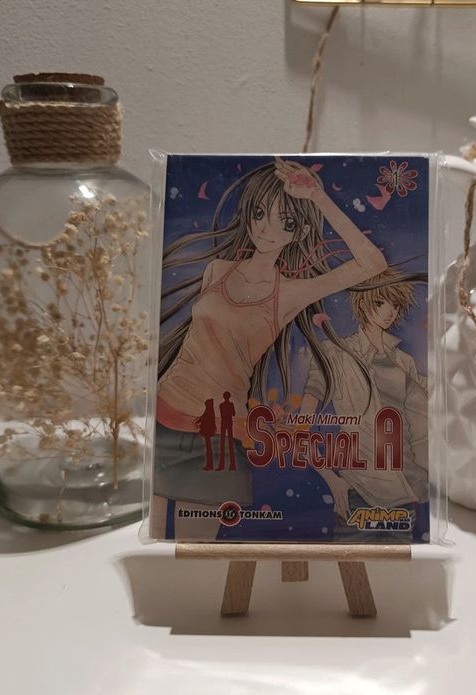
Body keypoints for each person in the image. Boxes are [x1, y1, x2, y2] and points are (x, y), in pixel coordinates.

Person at [150, 157, 387, 540]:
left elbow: (372, 263)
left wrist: (319, 198)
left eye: (284, 221)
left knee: (197, 557)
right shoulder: (216, 271)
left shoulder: (288, 295)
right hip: (163, 419)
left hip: (217, 440)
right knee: (155, 548)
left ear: (299, 231)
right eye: (260, 213)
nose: (265, 227)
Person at [299, 268, 429, 537]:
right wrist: (331, 480)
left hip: (407, 492)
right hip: (359, 491)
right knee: (346, 560)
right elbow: (301, 428)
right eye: (380, 302)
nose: (389, 312)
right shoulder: (335, 354)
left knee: (400, 563)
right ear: (363, 303)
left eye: (395, 304)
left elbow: (423, 420)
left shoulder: (404, 362)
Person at [194, 399, 217, 471]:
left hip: (207, 433)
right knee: (208, 448)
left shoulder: (209, 411)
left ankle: (209, 465)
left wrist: (199, 421)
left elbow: (204, 418)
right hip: (208, 432)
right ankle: (209, 464)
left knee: (208, 449)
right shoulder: (210, 410)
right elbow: (204, 417)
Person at [218, 391, 236, 471]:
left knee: (223, 444)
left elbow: (224, 414)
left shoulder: (221, 405)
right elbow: (233, 413)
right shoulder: (230, 405)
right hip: (228, 424)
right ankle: (232, 465)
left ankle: (223, 465)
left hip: (224, 424)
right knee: (229, 443)